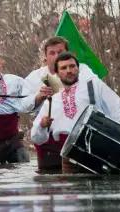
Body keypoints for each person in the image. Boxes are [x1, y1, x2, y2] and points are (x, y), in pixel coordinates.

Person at [31, 52, 120, 173]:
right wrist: (42, 125)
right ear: (57, 73)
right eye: (64, 68)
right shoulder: (52, 101)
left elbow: (116, 108)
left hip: (99, 149)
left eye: (72, 66)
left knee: (105, 187)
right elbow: (37, 139)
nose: (69, 70)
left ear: (78, 69)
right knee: (74, 190)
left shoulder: (93, 85)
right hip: (70, 157)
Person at [0, 50, 51, 163]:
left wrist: (40, 96)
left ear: (2, 64)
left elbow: (25, 103)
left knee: (23, 165)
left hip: (12, 141)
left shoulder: (14, 80)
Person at [25, 36, 96, 170]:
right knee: (48, 179)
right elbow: (23, 105)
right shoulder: (34, 77)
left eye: (61, 52)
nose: (57, 56)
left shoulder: (82, 70)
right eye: (52, 53)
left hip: (79, 136)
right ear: (45, 57)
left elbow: (94, 88)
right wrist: (38, 97)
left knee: (79, 179)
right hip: (47, 136)